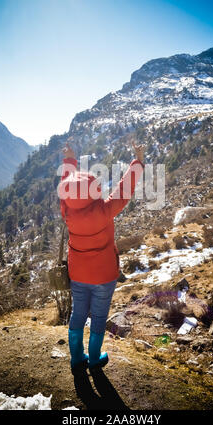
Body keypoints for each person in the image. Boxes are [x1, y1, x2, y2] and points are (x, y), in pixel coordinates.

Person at [58, 141, 145, 375]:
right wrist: (137, 160)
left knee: (77, 314)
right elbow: (124, 189)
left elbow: (68, 186)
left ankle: (77, 359)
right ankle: (94, 359)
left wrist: (70, 161)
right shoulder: (105, 210)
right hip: (104, 275)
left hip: (78, 273)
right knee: (98, 317)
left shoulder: (67, 210)